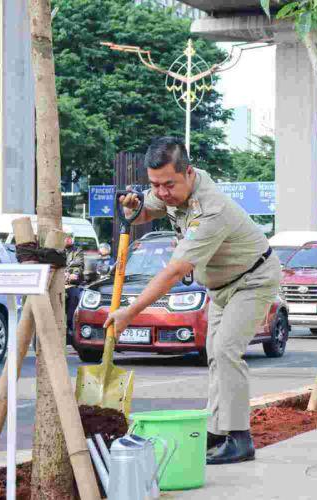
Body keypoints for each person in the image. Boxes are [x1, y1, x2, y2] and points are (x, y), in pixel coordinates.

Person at [104, 137, 280, 465]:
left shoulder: (210, 210)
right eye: (154, 185)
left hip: (253, 279)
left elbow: (175, 271)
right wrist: (135, 208)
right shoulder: (170, 190)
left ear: (188, 173)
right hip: (220, 286)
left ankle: (240, 438)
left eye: (168, 184)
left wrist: (131, 310)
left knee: (226, 350)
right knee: (215, 353)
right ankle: (217, 429)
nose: (162, 192)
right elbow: (145, 210)